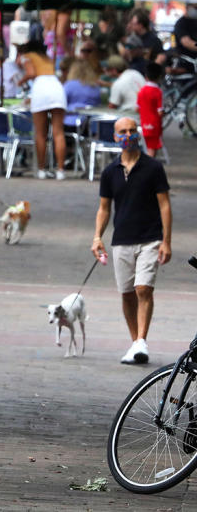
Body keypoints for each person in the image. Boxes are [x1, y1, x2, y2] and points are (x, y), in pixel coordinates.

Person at [92, 117, 171, 365]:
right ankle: (136, 342)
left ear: (138, 133)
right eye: (123, 131)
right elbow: (104, 208)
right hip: (121, 239)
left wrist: (166, 240)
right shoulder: (110, 172)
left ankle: (141, 341)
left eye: (132, 130)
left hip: (150, 238)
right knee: (127, 293)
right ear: (115, 137)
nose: (128, 135)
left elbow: (165, 205)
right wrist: (97, 237)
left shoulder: (153, 168)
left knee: (143, 288)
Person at [17, 39, 67, 180]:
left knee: (40, 133)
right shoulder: (48, 58)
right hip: (56, 87)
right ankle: (61, 170)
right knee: (58, 132)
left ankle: (41, 169)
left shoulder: (27, 57)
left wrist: (21, 81)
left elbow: (31, 73)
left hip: (41, 88)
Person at [63, 59, 102, 127]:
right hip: (91, 123)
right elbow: (98, 104)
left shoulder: (69, 85)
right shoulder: (95, 87)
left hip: (70, 121)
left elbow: (62, 102)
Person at [137, 62, 164, 157]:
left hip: (144, 123)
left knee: (146, 146)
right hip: (154, 124)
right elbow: (160, 111)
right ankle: (149, 168)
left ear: (146, 76)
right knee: (152, 148)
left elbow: (137, 108)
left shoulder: (141, 91)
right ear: (159, 77)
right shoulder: (158, 92)